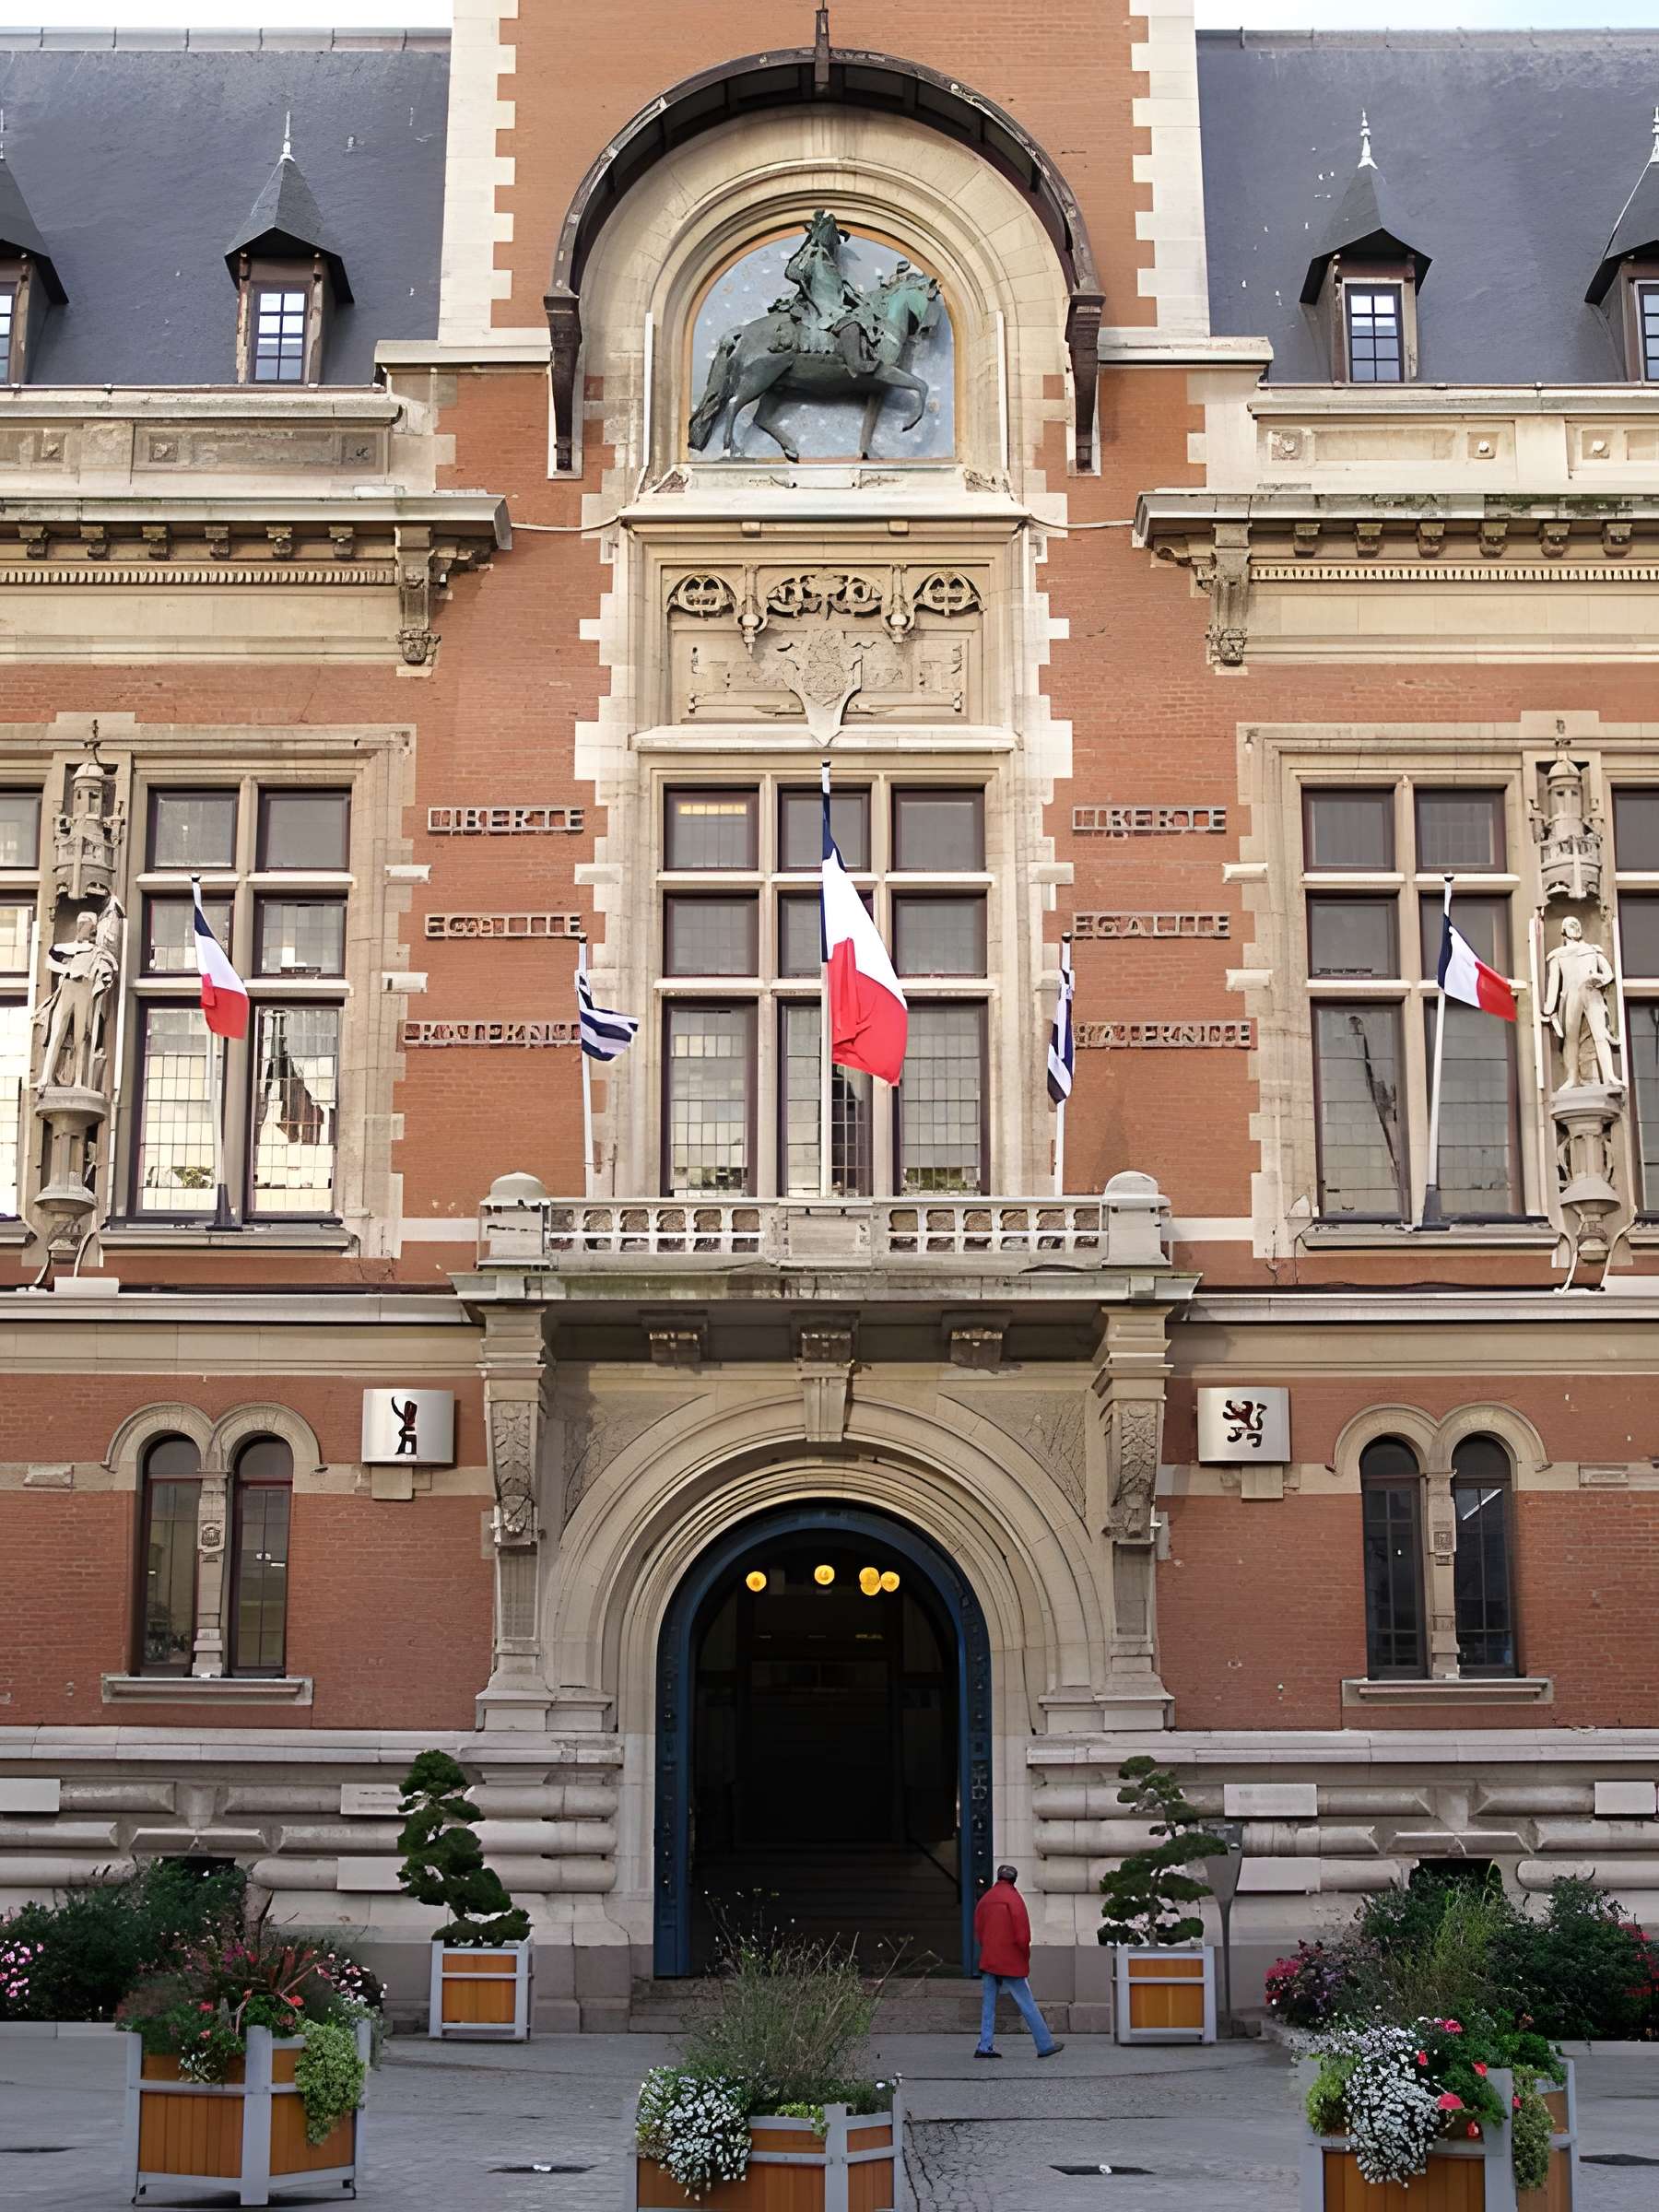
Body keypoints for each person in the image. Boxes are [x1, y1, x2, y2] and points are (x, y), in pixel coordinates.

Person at [971, 1864, 1064, 2060]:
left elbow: (978, 1932)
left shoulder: (985, 1900)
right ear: (1014, 1879)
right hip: (1009, 1960)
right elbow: (1023, 1936)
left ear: (998, 1877)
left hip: (989, 1959)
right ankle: (1044, 2044)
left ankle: (985, 2045)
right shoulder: (1013, 1899)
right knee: (1026, 2002)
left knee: (988, 2004)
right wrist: (1024, 1957)